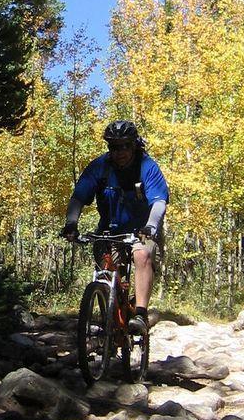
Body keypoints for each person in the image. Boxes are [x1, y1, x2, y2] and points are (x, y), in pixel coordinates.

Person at [61, 120, 169, 335]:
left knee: (142, 255)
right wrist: (71, 223)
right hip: (110, 230)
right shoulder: (100, 167)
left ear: (134, 145)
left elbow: (159, 201)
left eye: (124, 146)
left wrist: (150, 226)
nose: (119, 152)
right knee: (106, 271)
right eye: (113, 146)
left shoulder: (146, 166)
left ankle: (140, 314)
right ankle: (110, 322)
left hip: (143, 228)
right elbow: (78, 198)